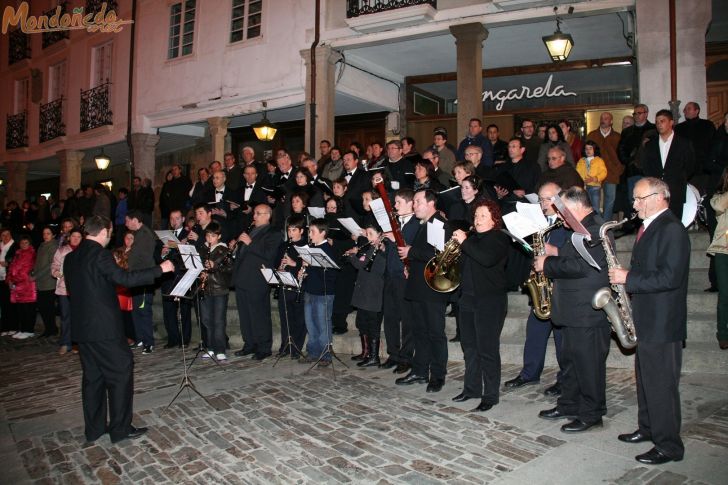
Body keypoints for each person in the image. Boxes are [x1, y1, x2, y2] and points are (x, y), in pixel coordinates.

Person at [64, 215, 174, 444]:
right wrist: (159, 269)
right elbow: (124, 278)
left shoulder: (71, 257)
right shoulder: (100, 254)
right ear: (105, 231)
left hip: (83, 330)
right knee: (121, 372)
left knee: (93, 379)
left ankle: (94, 429)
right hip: (104, 328)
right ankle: (120, 429)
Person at [609, 177, 690, 464]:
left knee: (662, 387)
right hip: (647, 318)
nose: (633, 204)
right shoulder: (650, 226)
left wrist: (628, 277)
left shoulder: (672, 229)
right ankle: (648, 428)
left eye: (639, 198)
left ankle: (669, 446)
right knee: (646, 382)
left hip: (662, 322)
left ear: (658, 197)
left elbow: (671, 277)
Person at [534, 187, 610, 433]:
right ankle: (568, 404)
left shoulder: (596, 229)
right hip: (570, 310)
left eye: (563, 211)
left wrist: (549, 263)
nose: (560, 217)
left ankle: (591, 414)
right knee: (570, 363)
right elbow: (574, 256)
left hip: (586, 312)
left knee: (589, 367)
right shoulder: (578, 228)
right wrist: (556, 252)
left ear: (576, 207)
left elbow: (584, 267)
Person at [504, 182, 567, 395]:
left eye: (546, 199)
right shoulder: (541, 222)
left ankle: (565, 380)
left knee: (562, 340)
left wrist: (554, 250)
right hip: (541, 288)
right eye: (540, 199)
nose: (542, 204)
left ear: (559, 199)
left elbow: (575, 255)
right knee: (534, 334)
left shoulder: (568, 223)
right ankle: (530, 373)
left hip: (561, 288)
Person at [451, 199, 511, 412]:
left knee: (487, 350)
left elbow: (486, 259)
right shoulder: (473, 239)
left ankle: (490, 395)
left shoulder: (500, 238)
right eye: (476, 216)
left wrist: (464, 243)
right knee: (470, 348)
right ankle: (472, 388)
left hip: (489, 302)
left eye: (483, 215)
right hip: (467, 299)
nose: (477, 220)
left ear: (495, 219)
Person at [395, 189, 451, 393]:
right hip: (419, 286)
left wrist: (412, 252)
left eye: (417, 201)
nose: (414, 205)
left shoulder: (437, 222)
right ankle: (419, 370)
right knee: (419, 331)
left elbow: (437, 254)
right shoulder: (425, 224)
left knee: (435, 333)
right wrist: (411, 265)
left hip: (432, 289)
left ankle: (437, 376)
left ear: (430, 203)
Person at [232, 204, 281, 360]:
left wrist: (249, 243)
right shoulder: (251, 230)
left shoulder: (273, 232)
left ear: (267, 215)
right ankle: (249, 344)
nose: (254, 216)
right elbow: (243, 252)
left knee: (259, 314)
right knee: (245, 315)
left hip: (258, 279)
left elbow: (269, 255)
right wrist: (235, 248)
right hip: (242, 277)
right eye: (254, 213)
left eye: (258, 214)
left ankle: (264, 347)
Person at [380, 189, 419, 373]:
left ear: (411, 204)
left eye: (398, 203)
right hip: (390, 274)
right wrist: (383, 244)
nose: (395, 207)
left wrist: (394, 240)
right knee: (390, 317)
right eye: (394, 203)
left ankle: (406, 356)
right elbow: (392, 250)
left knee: (407, 318)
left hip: (405, 276)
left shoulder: (416, 223)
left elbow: (410, 246)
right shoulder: (393, 222)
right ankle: (393, 354)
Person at [640, 109, 696, 219]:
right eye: (657, 122)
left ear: (671, 122)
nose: (659, 125)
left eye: (662, 121)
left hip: (676, 190)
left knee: (675, 224)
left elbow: (690, 166)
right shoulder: (651, 144)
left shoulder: (683, 143)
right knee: (657, 223)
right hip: (656, 192)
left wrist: (680, 178)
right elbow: (646, 166)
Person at [299, 218, 339, 366]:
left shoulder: (328, 250)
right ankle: (313, 351)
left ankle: (325, 354)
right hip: (310, 290)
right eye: (309, 231)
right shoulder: (310, 249)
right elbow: (312, 272)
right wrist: (304, 271)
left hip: (324, 292)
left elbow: (332, 275)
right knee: (310, 323)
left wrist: (312, 265)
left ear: (323, 233)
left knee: (323, 324)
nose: (310, 235)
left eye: (313, 232)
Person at [348, 222, 387, 367]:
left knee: (372, 326)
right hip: (364, 292)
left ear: (380, 236)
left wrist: (352, 256)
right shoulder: (370, 248)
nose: (368, 237)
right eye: (367, 234)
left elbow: (363, 265)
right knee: (362, 323)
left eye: (371, 234)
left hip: (373, 294)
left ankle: (374, 356)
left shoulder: (382, 252)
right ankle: (366, 352)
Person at [199, 222, 233, 361]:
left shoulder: (223, 250)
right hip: (205, 288)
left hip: (219, 288)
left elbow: (229, 269)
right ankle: (211, 347)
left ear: (219, 236)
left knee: (218, 320)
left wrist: (215, 266)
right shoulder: (203, 249)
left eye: (213, 236)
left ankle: (220, 349)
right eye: (207, 235)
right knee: (207, 319)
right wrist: (201, 272)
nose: (209, 238)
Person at [125, 210, 158, 354]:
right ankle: (140, 338)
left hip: (144, 278)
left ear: (135, 220)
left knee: (144, 311)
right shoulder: (139, 234)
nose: (125, 223)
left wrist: (129, 265)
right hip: (137, 278)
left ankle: (148, 342)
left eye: (127, 220)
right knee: (136, 310)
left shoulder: (145, 234)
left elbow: (143, 257)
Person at [275, 214, 308, 359]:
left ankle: (296, 348)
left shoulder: (306, 247)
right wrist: (279, 268)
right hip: (284, 285)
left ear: (301, 231)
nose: (291, 233)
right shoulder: (284, 245)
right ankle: (285, 346)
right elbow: (275, 262)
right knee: (285, 318)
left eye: (294, 230)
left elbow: (308, 268)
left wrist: (294, 264)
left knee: (299, 320)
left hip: (299, 288)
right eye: (289, 230)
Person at [159, 210, 191, 348]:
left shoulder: (188, 234)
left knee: (184, 309)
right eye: (172, 218)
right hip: (168, 276)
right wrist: (162, 254)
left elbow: (190, 256)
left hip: (182, 274)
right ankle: (173, 339)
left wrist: (182, 245)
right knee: (168, 309)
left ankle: (185, 339)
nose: (174, 221)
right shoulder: (165, 236)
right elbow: (157, 257)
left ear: (183, 219)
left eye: (177, 218)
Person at [52, 228, 83, 354]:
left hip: (80, 289)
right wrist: (57, 273)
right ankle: (65, 342)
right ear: (69, 237)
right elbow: (54, 266)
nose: (75, 238)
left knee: (79, 316)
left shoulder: (84, 251)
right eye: (73, 236)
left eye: (78, 236)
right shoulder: (62, 250)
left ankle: (76, 343)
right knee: (65, 316)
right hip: (64, 288)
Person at [587, 112, 622, 221]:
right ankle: (595, 223)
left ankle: (606, 225)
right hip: (594, 174)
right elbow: (585, 154)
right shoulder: (592, 135)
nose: (603, 120)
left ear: (611, 121)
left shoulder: (617, 137)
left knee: (610, 200)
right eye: (602, 118)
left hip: (611, 173)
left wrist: (618, 169)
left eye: (606, 118)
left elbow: (622, 155)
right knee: (593, 200)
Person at [709, 168, 728, 349]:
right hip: (724, 251)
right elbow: (719, 207)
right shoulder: (719, 197)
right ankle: (723, 333)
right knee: (725, 294)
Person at [7, 234, 37, 339]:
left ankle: (29, 330)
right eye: (22, 243)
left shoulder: (31, 254)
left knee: (28, 309)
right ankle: (23, 329)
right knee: (21, 309)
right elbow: (11, 268)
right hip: (18, 287)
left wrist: (14, 280)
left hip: (27, 286)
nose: (23, 245)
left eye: (26, 243)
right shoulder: (18, 254)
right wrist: (9, 279)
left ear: (30, 244)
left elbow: (25, 272)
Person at [33, 226, 58, 338]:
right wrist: (33, 272)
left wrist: (36, 276)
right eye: (44, 233)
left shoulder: (53, 246)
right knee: (42, 307)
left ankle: (52, 329)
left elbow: (50, 265)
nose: (45, 235)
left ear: (53, 235)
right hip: (40, 282)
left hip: (48, 282)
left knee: (48, 307)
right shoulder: (42, 246)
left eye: (48, 233)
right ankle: (48, 328)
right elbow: (38, 262)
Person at [576, 140, 608, 216]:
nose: (588, 150)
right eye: (586, 149)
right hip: (584, 187)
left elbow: (604, 172)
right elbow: (577, 172)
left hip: (595, 186)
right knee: (585, 206)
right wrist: (581, 181)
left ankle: (598, 223)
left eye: (590, 148)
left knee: (595, 207)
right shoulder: (581, 161)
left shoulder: (599, 160)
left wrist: (596, 178)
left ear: (595, 149)